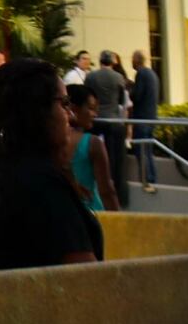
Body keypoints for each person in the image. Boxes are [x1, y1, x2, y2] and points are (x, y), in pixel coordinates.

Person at [0, 58, 103, 270]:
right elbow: (85, 280)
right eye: (63, 104)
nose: (71, 115)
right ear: (36, 110)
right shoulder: (40, 184)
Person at [84, 51, 132, 208]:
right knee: (115, 161)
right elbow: (121, 100)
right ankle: (119, 198)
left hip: (96, 120)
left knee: (92, 157)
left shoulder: (91, 77)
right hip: (113, 121)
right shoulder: (118, 77)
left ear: (100, 61)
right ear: (112, 62)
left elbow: (87, 95)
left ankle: (93, 192)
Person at [63, 85, 120, 210]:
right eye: (91, 108)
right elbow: (107, 191)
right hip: (92, 216)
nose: (95, 114)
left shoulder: (45, 143)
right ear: (73, 109)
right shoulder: (93, 143)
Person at [127, 50, 162, 193]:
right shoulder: (152, 73)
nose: (131, 62)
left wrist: (129, 89)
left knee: (141, 150)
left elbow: (137, 96)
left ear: (136, 61)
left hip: (141, 118)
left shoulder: (141, 74)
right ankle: (151, 178)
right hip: (151, 117)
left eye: (132, 59)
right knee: (148, 150)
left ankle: (147, 180)